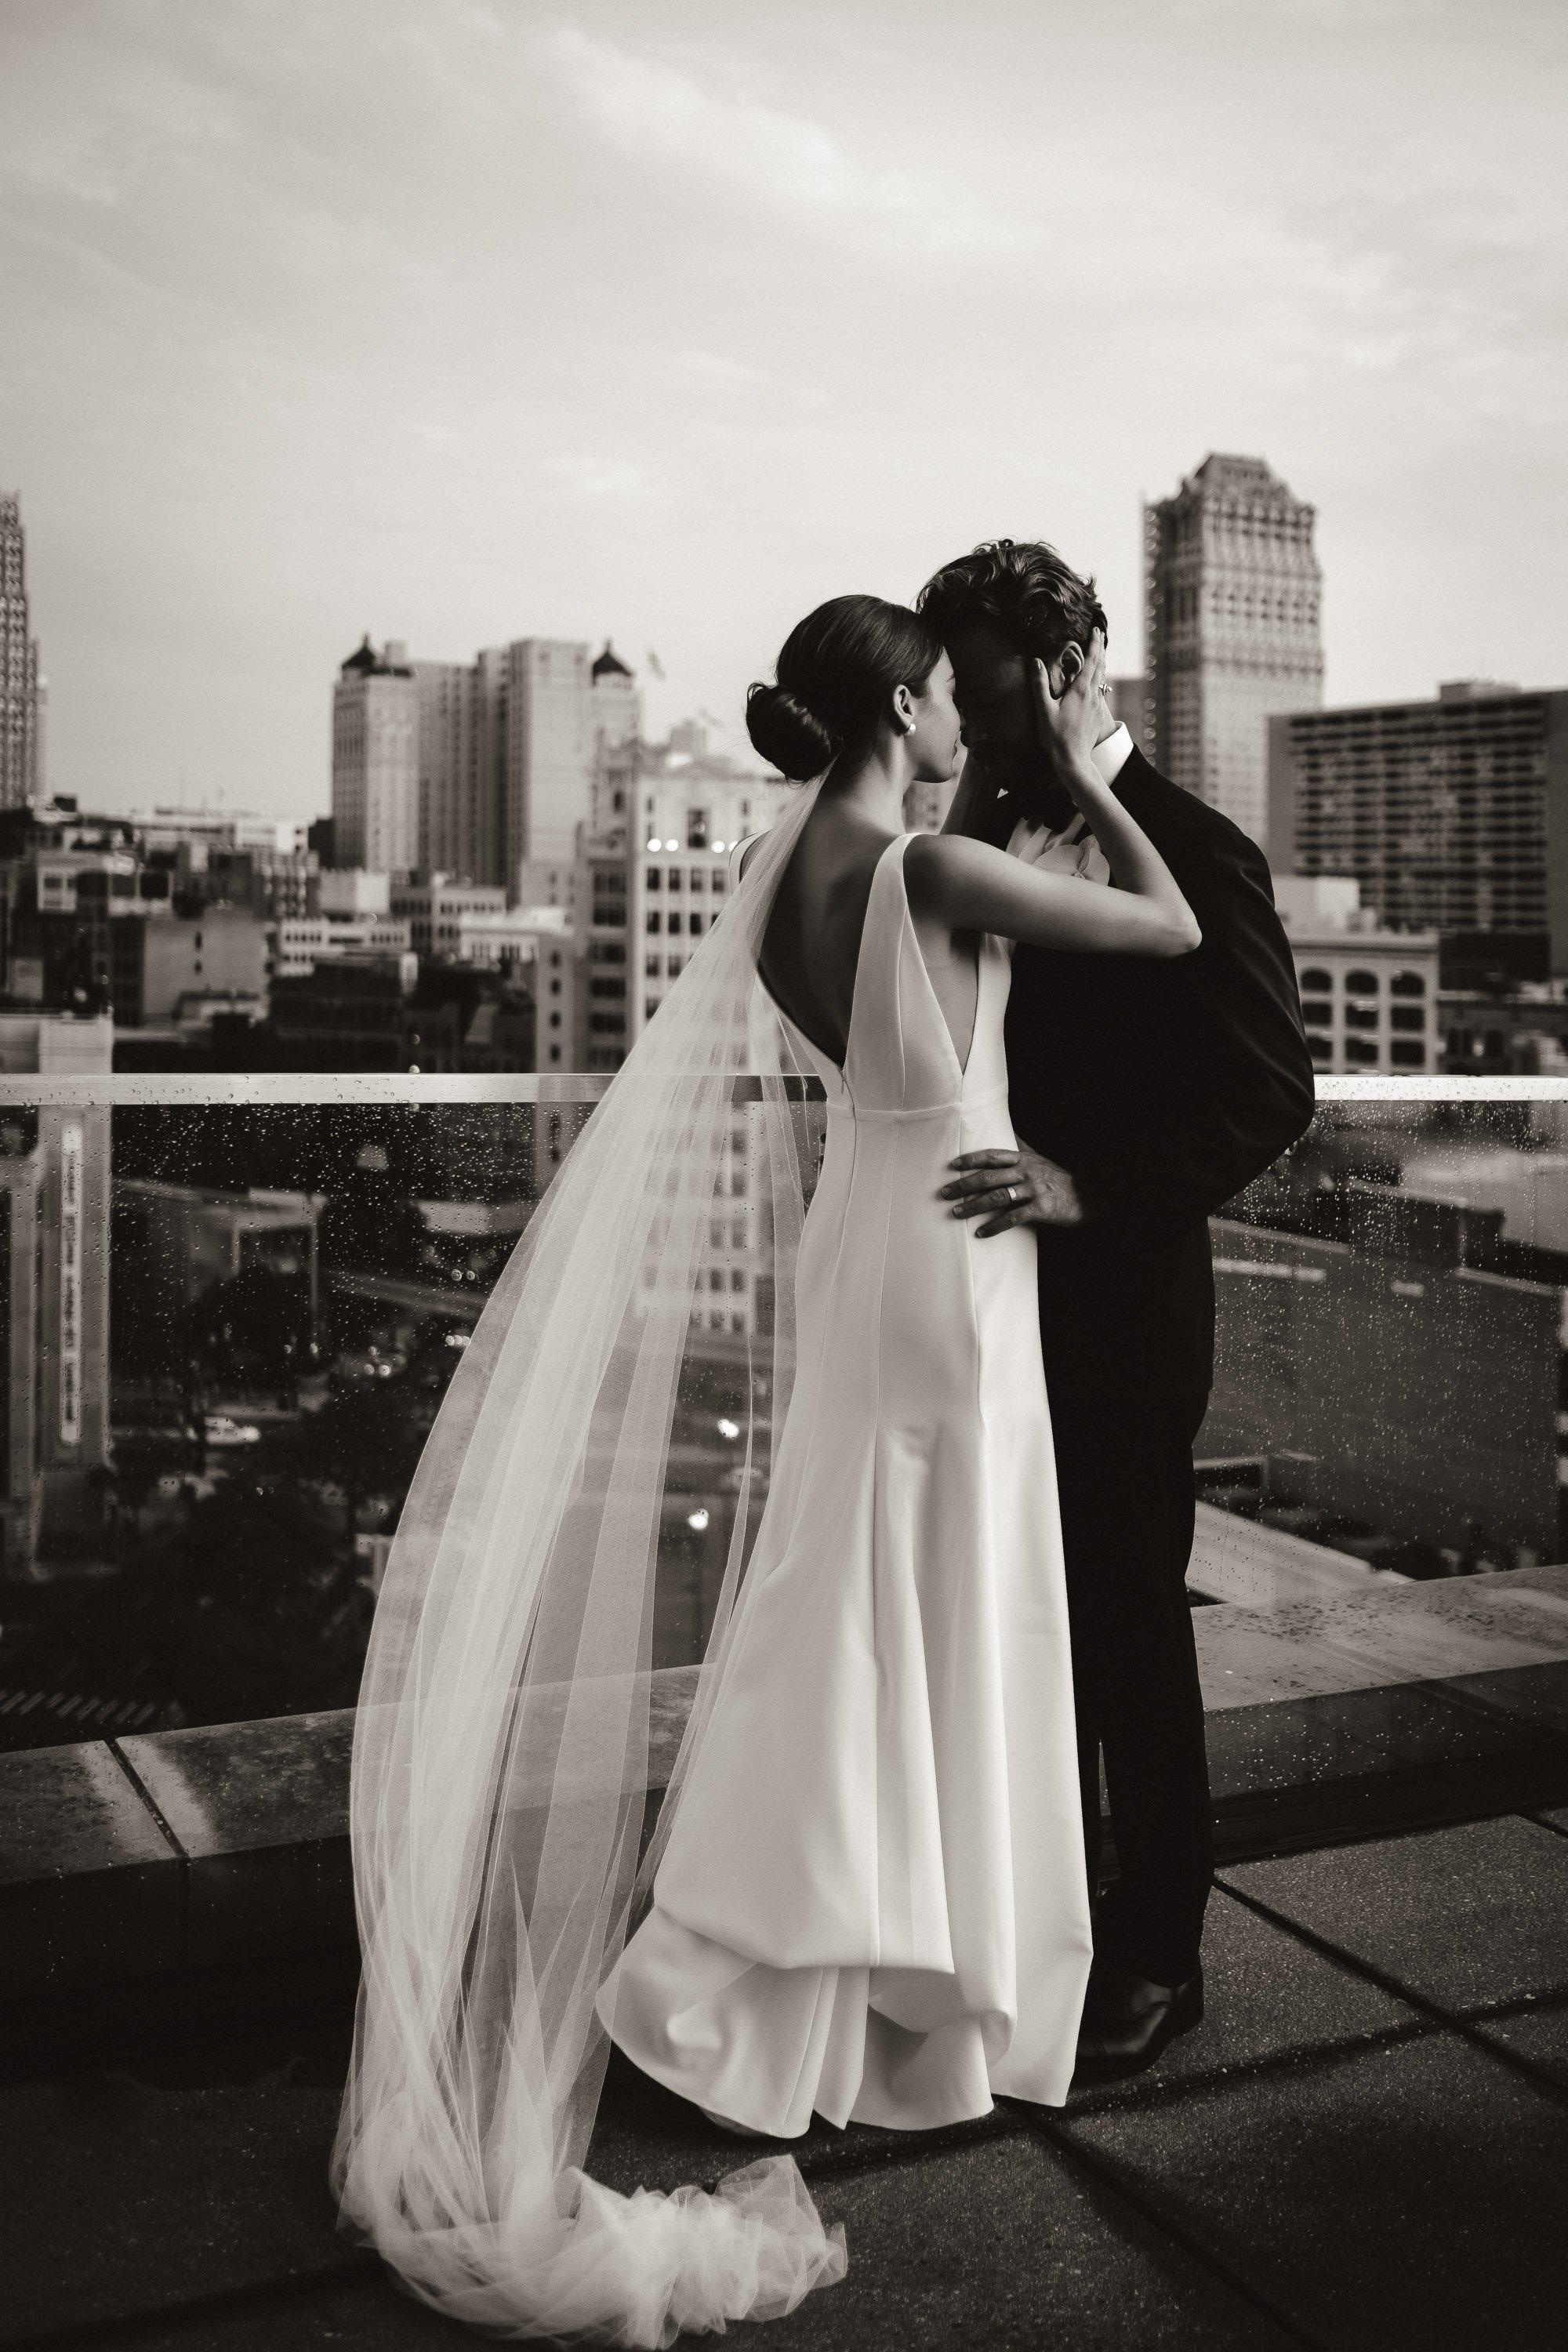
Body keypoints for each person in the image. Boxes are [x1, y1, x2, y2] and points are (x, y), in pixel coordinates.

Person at [330, 591, 1200, 2345]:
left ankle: (767, 1961)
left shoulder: (791, 868)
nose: (971, 715)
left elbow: (889, 1022)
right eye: (952, 696)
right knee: (950, 1594)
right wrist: (1100, 771)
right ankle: (912, 1980)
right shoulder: (930, 875)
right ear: (897, 709)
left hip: (864, 1222)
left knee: (847, 1589)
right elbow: (1170, 930)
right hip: (958, 1251)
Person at [918, 540, 1316, 2078]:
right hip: (988, 1293)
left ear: (1059, 667)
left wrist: (1096, 1190)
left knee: (1126, 1632)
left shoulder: (1193, 846)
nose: (964, 697)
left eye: (981, 671)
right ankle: (1038, 1915)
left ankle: (1158, 1952)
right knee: (1016, 1616)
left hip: (1120, 1307)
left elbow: (1271, 1088)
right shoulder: (1000, 824)